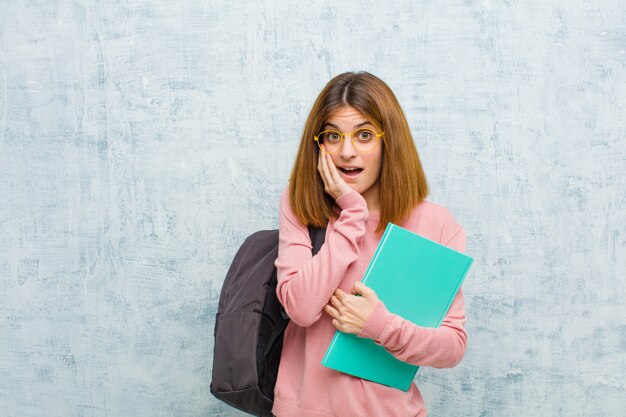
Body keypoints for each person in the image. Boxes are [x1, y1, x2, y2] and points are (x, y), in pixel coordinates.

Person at [273, 71, 468, 417]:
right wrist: (352, 213)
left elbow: (452, 347)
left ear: (388, 141)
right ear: (318, 145)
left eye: (364, 135)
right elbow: (301, 308)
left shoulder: (435, 224)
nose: (347, 152)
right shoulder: (301, 204)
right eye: (333, 136)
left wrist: (380, 326)